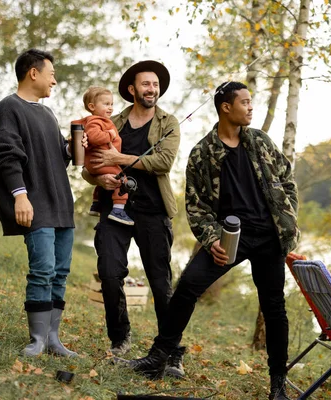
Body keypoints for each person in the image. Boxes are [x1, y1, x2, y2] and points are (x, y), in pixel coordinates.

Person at [117, 81, 300, 400]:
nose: (251, 107)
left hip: (269, 237)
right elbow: (195, 204)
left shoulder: (259, 141)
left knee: (274, 307)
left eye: (251, 101)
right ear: (226, 108)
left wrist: (287, 219)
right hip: (230, 238)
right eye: (245, 102)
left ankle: (278, 384)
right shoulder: (203, 152)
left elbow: (286, 179)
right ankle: (160, 356)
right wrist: (212, 238)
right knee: (188, 287)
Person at [81, 60, 185, 377]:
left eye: (155, 84)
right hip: (114, 209)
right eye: (145, 84)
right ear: (132, 89)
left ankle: (172, 352)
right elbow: (89, 166)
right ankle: (120, 337)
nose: (151, 89)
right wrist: (99, 179)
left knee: (160, 284)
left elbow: (164, 162)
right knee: (109, 273)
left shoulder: (169, 123)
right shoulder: (109, 122)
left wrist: (119, 158)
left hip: (153, 211)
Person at [0, 48, 77, 358]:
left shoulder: (48, 113)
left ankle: (53, 339)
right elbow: (6, 157)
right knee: (43, 270)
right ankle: (37, 339)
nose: (55, 80)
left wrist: (69, 149)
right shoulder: (7, 110)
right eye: (51, 73)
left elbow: (53, 161)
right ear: (33, 73)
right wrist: (20, 195)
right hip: (35, 204)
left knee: (61, 272)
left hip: (62, 204)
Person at [73, 86, 134, 225]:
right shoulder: (96, 121)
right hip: (101, 161)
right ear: (92, 106)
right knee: (122, 181)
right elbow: (94, 137)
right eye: (106, 104)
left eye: (111, 104)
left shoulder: (99, 120)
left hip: (97, 164)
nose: (110, 108)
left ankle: (96, 204)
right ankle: (118, 210)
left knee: (106, 181)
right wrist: (110, 134)